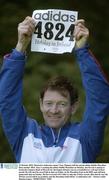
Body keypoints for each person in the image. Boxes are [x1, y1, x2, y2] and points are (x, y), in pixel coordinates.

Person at [0, 16, 109, 163]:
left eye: (62, 104)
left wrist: (82, 50)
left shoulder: (85, 138)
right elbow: (7, 99)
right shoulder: (24, 133)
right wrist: (20, 46)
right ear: (41, 104)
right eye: (49, 103)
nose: (54, 110)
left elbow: (100, 99)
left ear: (73, 107)